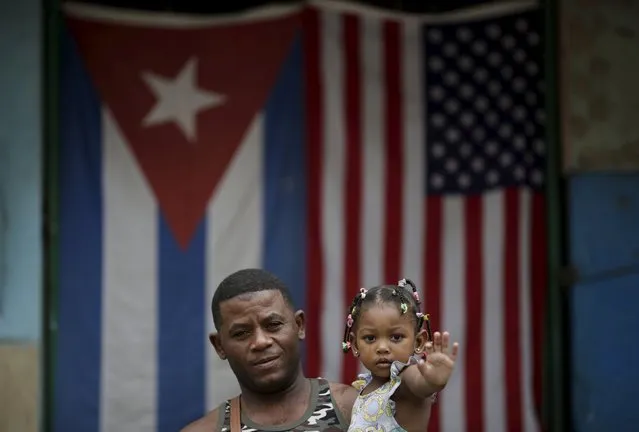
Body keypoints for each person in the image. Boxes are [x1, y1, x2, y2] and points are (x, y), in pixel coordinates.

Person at [181, 268, 358, 431]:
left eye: (273, 325)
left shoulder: (355, 409)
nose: (260, 342)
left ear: (299, 325)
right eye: (241, 333)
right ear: (219, 346)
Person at [342, 279, 459, 432]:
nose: (382, 348)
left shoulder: (404, 379)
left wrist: (432, 382)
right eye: (370, 338)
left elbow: (419, 383)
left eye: (396, 337)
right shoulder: (364, 387)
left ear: (418, 342)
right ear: (355, 345)